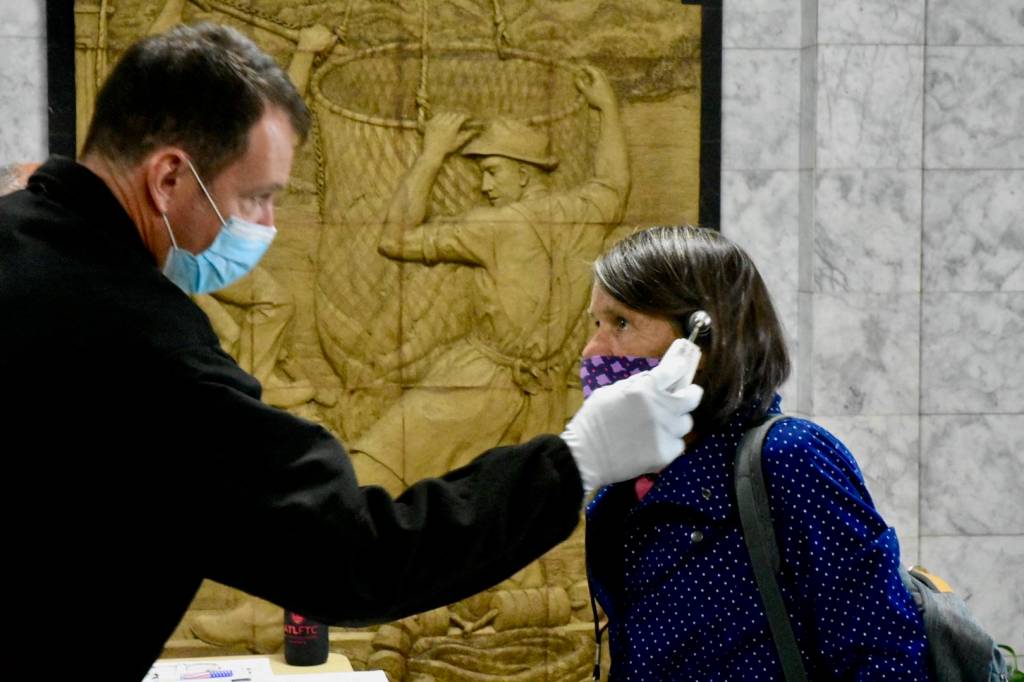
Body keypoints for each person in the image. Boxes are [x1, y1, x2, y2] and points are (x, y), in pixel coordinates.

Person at [0, 24, 705, 680]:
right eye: (258, 198)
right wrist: (575, 460)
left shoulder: (20, 240)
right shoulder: (150, 349)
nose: (269, 227)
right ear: (170, 179)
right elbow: (354, 556)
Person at [582, 226, 930, 680]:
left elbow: (882, 654)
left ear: (700, 342)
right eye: (595, 324)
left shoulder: (792, 459)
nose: (593, 351)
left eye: (621, 323)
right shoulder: (631, 484)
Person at [352, 64, 630, 489]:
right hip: (539, 396)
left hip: (478, 383)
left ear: (524, 171)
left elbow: (395, 239)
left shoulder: (494, 226)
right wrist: (607, 109)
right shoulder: (582, 214)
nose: (484, 186)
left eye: (492, 170)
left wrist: (433, 153)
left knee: (377, 465)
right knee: (501, 513)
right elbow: (613, 183)